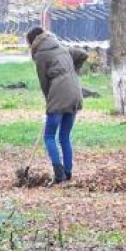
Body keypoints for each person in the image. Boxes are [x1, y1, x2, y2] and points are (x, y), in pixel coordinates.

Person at [27, 27, 88, 184]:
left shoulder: (41, 54)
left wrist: (49, 100)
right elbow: (83, 54)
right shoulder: (61, 47)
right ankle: (68, 173)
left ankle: (58, 173)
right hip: (75, 93)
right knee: (64, 136)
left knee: (49, 136)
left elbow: (44, 82)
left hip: (59, 95)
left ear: (33, 41)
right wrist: (73, 72)